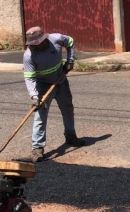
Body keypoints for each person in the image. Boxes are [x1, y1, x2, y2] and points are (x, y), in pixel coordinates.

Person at [23, 26, 85, 163]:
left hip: (61, 80)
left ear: (44, 39)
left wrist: (70, 61)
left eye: (37, 44)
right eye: (32, 45)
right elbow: (29, 78)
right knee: (40, 115)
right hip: (42, 85)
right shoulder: (29, 56)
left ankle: (71, 136)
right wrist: (34, 96)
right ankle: (37, 148)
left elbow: (70, 42)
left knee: (68, 108)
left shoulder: (56, 39)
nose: (35, 47)